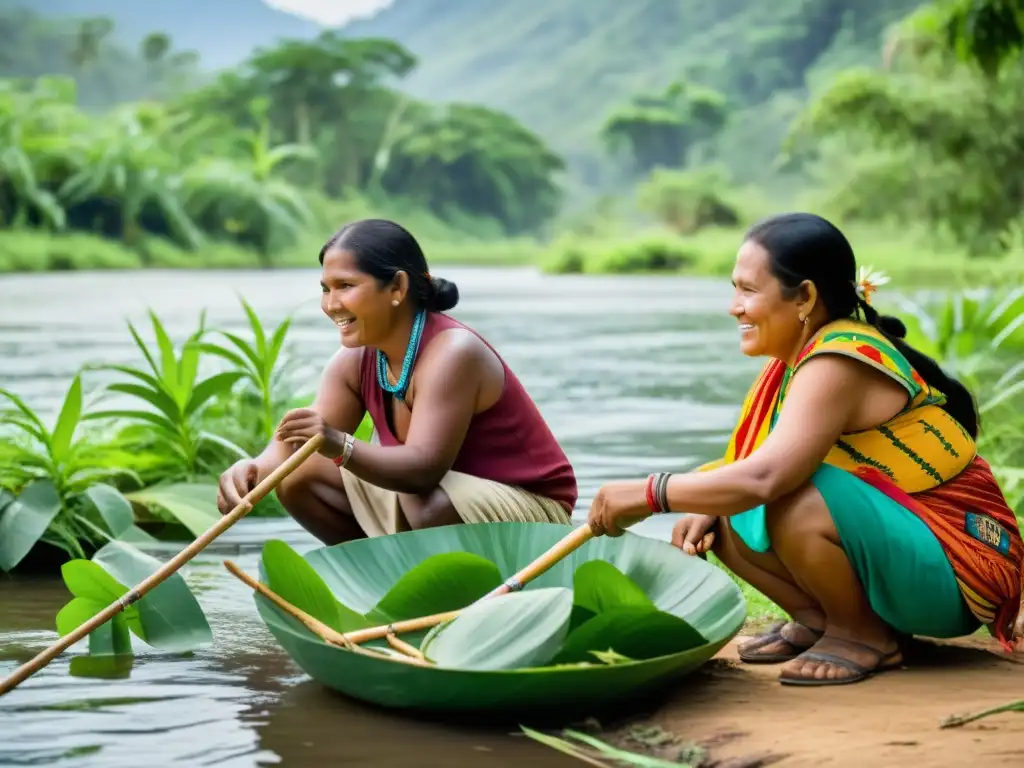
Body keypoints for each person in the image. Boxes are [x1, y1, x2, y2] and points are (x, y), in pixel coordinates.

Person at [585, 212, 1024, 687]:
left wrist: (651, 493)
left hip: (962, 569)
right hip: (913, 553)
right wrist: (698, 494)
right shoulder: (802, 358)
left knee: (785, 493)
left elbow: (767, 477)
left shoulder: (838, 360)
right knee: (722, 507)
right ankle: (823, 622)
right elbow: (750, 470)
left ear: (806, 297)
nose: (735, 307)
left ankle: (862, 633)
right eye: (734, 289)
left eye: (748, 291)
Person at [217, 218, 577, 541]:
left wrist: (338, 443)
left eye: (345, 285)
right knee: (298, 477)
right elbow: (297, 443)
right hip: (431, 502)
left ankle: (452, 593)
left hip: (536, 518)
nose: (331, 304)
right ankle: (388, 585)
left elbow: (421, 471)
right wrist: (255, 469)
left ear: (397, 288)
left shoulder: (454, 352)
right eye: (326, 288)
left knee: (425, 502)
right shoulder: (354, 362)